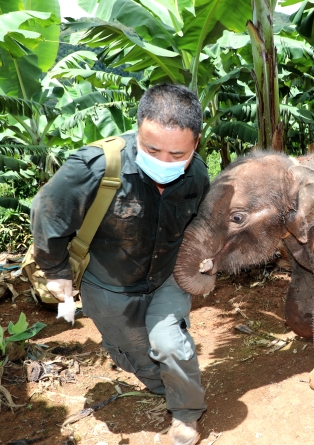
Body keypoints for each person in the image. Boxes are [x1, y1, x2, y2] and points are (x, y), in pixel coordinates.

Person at [30, 84, 210, 445]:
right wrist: (56, 272)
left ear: (196, 143)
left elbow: (200, 222)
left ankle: (186, 411)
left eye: (178, 154)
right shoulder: (94, 167)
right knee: (134, 350)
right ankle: (161, 385)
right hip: (108, 283)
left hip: (165, 278)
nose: (164, 161)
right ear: (138, 127)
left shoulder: (197, 175)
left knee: (171, 345)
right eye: (152, 148)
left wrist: (204, 258)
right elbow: (47, 213)